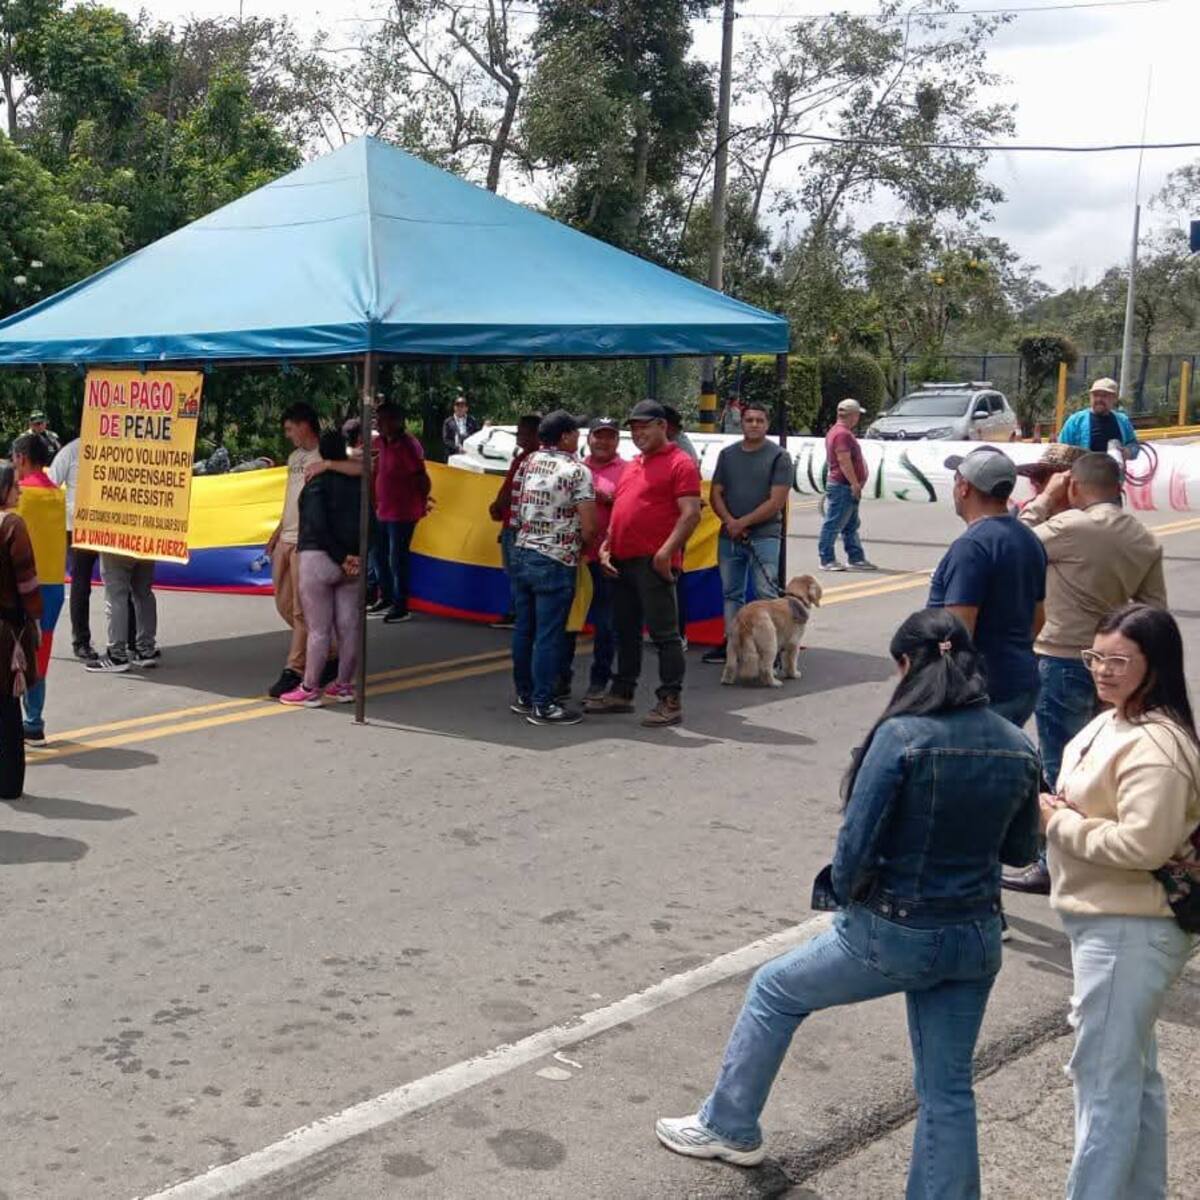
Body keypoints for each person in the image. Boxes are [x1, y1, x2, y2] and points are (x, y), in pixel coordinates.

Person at [656, 609, 1040, 1187]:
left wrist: (848, 902)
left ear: (906, 665)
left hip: (896, 930)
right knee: (947, 1089)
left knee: (774, 989)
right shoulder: (1016, 744)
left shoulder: (901, 736)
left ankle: (729, 1125)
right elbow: (1018, 851)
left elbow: (855, 846)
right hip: (976, 935)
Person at [1041, 603, 1199, 1200]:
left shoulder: (1155, 745)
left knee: (1103, 1087)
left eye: (1118, 661)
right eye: (1095, 657)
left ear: (1153, 667)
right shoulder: (1118, 719)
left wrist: (1055, 823)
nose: (1102, 671)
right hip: (1111, 922)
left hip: (1129, 929)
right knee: (1133, 1078)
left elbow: (1144, 843)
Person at [1005, 451, 1167, 895]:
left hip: (1062, 658)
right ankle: (1093, 852)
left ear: (1075, 485)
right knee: (1101, 766)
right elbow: (1153, 611)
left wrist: (1044, 502)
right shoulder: (1143, 538)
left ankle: (1050, 862)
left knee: (1062, 766)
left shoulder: (1071, 527)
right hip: (1116, 665)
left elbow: (1009, 540)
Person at [587, 400, 701, 728]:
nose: (638, 434)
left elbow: (691, 513)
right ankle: (622, 692)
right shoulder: (633, 464)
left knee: (665, 635)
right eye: (634, 429)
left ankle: (670, 700)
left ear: (662, 427)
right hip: (621, 559)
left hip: (653, 561)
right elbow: (622, 508)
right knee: (626, 632)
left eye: (644, 427)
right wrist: (608, 545)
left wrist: (666, 553)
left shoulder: (680, 463)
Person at [929, 447, 1047, 728]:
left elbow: (958, 634)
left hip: (983, 694)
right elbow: (1038, 620)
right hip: (1020, 685)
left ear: (964, 487)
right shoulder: (1027, 538)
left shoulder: (971, 547)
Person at [508, 411, 596, 726]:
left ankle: (524, 695)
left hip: (522, 551)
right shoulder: (577, 470)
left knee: (524, 629)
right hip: (557, 557)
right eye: (575, 433)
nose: (578, 438)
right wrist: (585, 546)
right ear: (565, 436)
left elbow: (515, 508)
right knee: (549, 635)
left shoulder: (527, 462)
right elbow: (588, 524)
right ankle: (544, 704)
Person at [703, 399, 792, 666]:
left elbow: (776, 501)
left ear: (767, 424)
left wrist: (742, 523)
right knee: (732, 593)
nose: (754, 424)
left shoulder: (779, 456)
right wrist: (730, 522)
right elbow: (715, 492)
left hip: (764, 536)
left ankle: (771, 651)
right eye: (749, 420)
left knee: (766, 593)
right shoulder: (728, 455)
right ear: (741, 423)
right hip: (729, 537)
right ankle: (732, 644)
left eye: (759, 420)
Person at [279, 431, 364, 707]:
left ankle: (310, 687)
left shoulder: (316, 484)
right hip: (354, 563)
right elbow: (372, 521)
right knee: (349, 626)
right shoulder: (359, 484)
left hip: (318, 558)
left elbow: (316, 525)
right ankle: (343, 685)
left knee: (319, 629)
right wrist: (355, 557)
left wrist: (339, 556)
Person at [267, 404, 324, 698]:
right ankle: (329, 648)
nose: (289, 435)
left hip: (307, 539)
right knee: (283, 602)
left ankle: (295, 667)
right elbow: (290, 497)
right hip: (286, 537)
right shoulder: (294, 458)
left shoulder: (325, 457)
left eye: (291, 429)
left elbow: (362, 465)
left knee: (302, 609)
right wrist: (277, 532)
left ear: (305, 426)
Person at [11, 434, 65, 742]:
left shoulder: (22, 497)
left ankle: (19, 720)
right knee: (40, 650)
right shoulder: (56, 495)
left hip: (25, 585)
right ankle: (34, 721)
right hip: (54, 585)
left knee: (15, 652)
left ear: (21, 458)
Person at [0, 461, 43, 798]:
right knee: (7, 709)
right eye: (15, 485)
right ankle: (9, 783)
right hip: (6, 630)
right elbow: (26, 580)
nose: (20, 489)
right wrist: (36, 617)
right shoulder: (12, 525)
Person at [370, 403, 430, 624]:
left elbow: (422, 478)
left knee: (397, 558)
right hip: (383, 510)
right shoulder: (380, 443)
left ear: (396, 421)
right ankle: (385, 597)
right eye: (377, 418)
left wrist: (422, 501)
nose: (379, 423)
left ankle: (401, 604)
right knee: (379, 555)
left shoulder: (408, 445)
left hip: (403, 512)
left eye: (383, 419)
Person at [488, 414, 542, 630]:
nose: (518, 434)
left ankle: (518, 613)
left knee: (517, 573)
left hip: (517, 525)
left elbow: (514, 491)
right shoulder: (524, 457)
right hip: (512, 522)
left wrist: (498, 505)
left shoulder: (531, 459)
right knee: (514, 572)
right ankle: (518, 611)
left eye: (523, 430)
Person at [818, 399, 875, 572]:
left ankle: (856, 557)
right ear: (853, 415)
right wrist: (854, 483)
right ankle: (826, 559)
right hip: (843, 485)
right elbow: (844, 460)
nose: (858, 418)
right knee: (834, 524)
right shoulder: (842, 434)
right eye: (858, 414)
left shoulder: (837, 432)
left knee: (850, 525)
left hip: (844, 485)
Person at [1058, 377, 1139, 459]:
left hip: (1115, 471)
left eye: (1104, 396)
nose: (1099, 399)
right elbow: (1061, 450)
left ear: (1114, 398)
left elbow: (1133, 444)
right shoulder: (1075, 421)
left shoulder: (1122, 421)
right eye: (1095, 395)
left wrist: (1128, 452)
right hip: (1084, 471)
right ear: (1090, 397)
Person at [442, 394, 480, 459]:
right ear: (454, 407)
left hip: (470, 453)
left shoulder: (472, 421)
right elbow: (446, 440)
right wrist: (457, 447)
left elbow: (477, 435)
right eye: (457, 406)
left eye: (462, 406)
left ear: (466, 408)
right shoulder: (448, 422)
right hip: (453, 453)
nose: (459, 408)